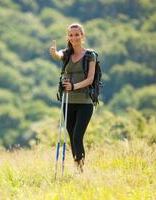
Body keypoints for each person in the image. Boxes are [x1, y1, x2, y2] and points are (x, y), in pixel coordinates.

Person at [49, 23, 96, 172]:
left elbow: (90, 79)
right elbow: (59, 56)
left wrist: (74, 87)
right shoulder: (67, 54)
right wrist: (53, 52)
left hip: (84, 102)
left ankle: (80, 169)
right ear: (68, 37)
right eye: (71, 35)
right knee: (71, 135)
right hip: (68, 101)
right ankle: (78, 167)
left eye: (77, 34)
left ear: (83, 36)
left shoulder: (90, 55)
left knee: (77, 136)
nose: (74, 37)